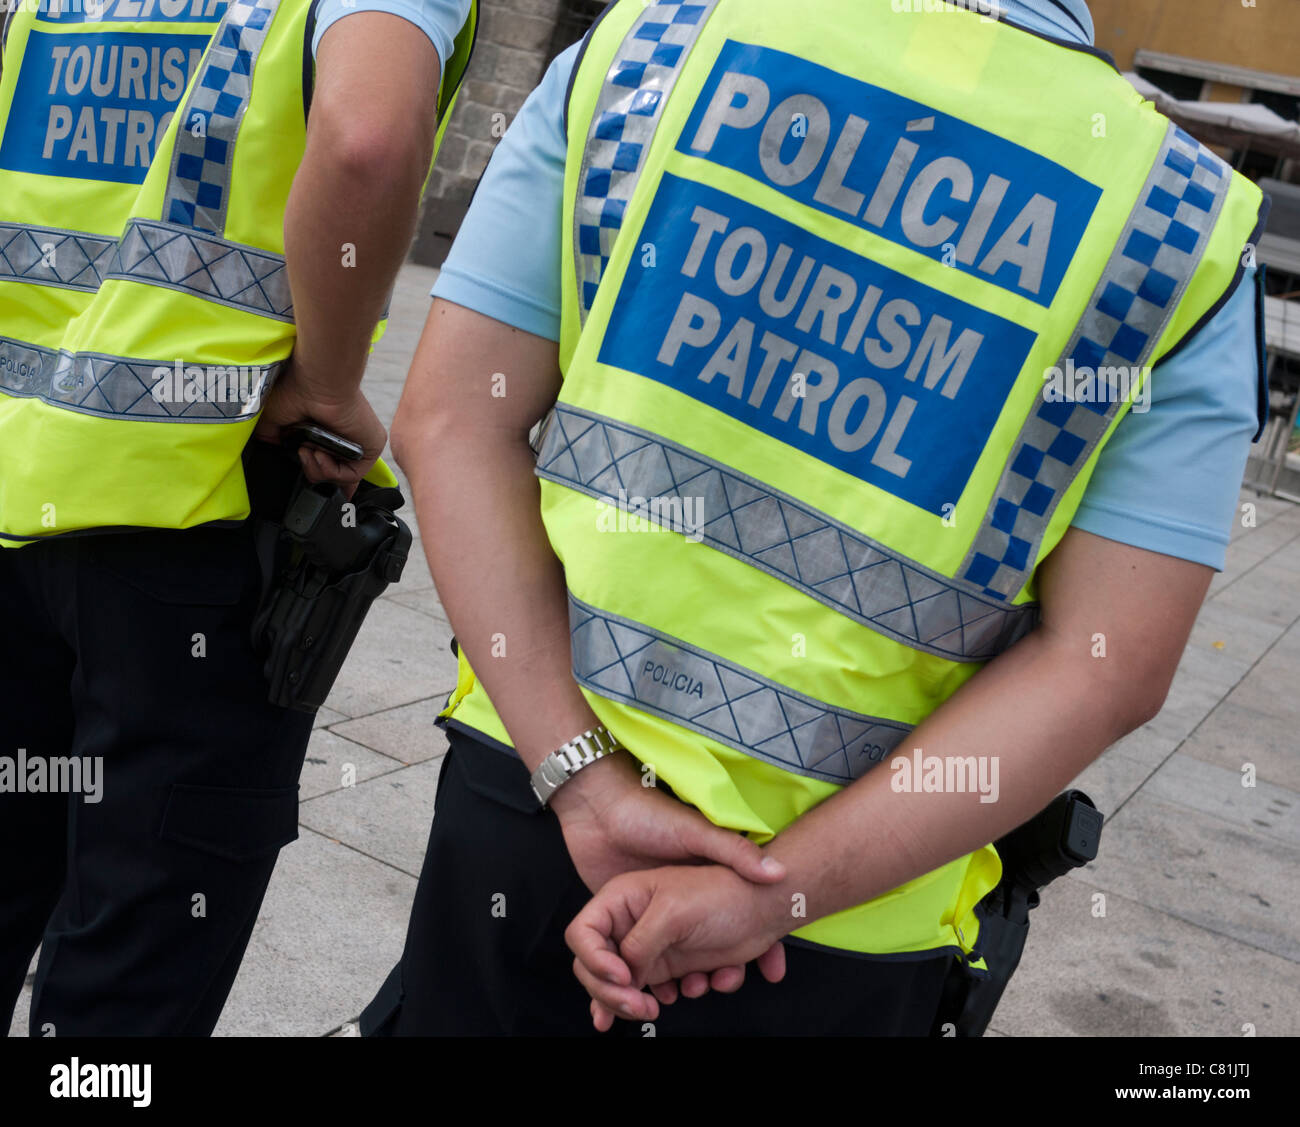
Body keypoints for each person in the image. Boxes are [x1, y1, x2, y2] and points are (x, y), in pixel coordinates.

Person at [363, 0, 1268, 1036]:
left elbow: (449, 421)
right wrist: (771, 891)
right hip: (842, 920)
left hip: (527, 800)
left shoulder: (649, 48)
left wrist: (584, 781)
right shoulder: (1181, 225)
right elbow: (1108, 659)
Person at [0, 0, 475, 1035]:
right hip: (193, 502)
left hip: (17, 467)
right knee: (135, 951)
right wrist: (330, 377)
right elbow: (365, 138)